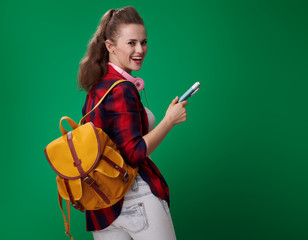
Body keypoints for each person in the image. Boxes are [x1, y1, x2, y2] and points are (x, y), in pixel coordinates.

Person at [77, 6, 188, 240]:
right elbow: (134, 153)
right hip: (134, 194)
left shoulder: (97, 85)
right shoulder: (122, 89)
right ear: (110, 46)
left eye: (144, 42)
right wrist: (169, 120)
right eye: (131, 43)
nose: (140, 50)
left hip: (101, 203)